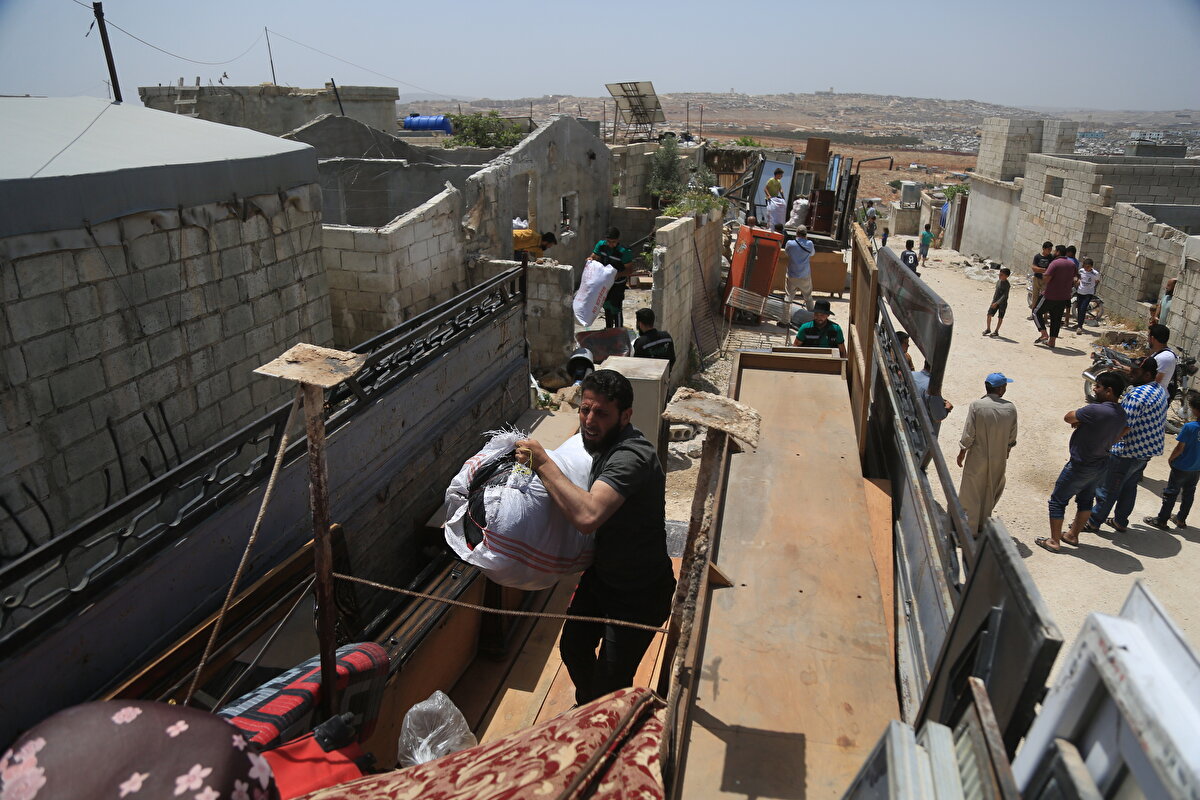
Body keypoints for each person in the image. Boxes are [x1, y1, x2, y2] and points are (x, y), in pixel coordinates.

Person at [514, 370, 675, 705]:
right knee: (573, 647)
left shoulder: (631, 456)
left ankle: (606, 720)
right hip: (603, 578)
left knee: (613, 682)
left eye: (601, 413)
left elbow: (587, 517)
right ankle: (590, 709)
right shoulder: (597, 443)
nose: (589, 420)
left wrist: (542, 463)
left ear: (626, 415)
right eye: (585, 410)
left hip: (639, 593)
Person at [1035, 371, 1128, 553]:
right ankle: (1072, 535)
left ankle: (1054, 541)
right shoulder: (1121, 413)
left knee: (1057, 501)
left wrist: (1081, 421)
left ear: (1109, 391)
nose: (1094, 389)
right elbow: (1119, 433)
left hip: (1081, 464)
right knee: (1086, 500)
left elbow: (1069, 417)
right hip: (1101, 463)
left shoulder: (1096, 410)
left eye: (1098, 386)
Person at [1084, 357, 1168, 534]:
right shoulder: (1159, 390)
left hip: (1127, 452)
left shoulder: (1137, 395)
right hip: (1146, 451)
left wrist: (1106, 444)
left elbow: (1124, 425)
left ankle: (1093, 522)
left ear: (1147, 374)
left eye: (1135, 371)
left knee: (1108, 487)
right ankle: (1120, 521)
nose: (1130, 373)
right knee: (1129, 486)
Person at [956, 373, 1019, 535]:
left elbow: (969, 433)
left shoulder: (977, 405)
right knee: (990, 492)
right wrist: (1006, 453)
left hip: (977, 457)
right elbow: (1012, 438)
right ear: (1000, 389)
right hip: (998, 458)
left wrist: (962, 452)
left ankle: (968, 531)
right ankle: (982, 527)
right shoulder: (1010, 408)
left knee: (971, 493)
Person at [1145, 393, 1200, 530]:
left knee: (1171, 493)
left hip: (1181, 467)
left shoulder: (1190, 427)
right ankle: (1181, 519)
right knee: (1189, 494)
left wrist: (1171, 459)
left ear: (1195, 410)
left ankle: (1162, 520)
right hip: (1196, 468)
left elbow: (1179, 448)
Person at [1034, 245, 1074, 348]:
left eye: (1055, 251)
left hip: (1050, 295)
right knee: (1056, 319)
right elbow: (1076, 278)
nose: (1053, 252)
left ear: (1058, 252)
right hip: (1064, 296)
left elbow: (1046, 278)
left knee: (1036, 312)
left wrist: (1045, 279)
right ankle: (1052, 341)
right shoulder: (1072, 264)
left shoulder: (1055, 263)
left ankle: (1043, 333)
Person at [593, 227, 634, 329]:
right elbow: (595, 256)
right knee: (606, 305)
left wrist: (618, 275)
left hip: (617, 284)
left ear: (618, 240)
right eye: (609, 242)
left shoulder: (624, 252)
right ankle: (609, 328)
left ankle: (619, 330)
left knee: (616, 307)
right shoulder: (601, 245)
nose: (611, 244)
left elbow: (629, 270)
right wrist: (591, 259)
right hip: (605, 283)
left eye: (614, 242)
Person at [783, 225, 816, 317]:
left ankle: (784, 318)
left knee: (788, 297)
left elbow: (786, 252)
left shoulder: (790, 243)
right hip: (804, 275)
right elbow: (812, 254)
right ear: (806, 234)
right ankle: (812, 318)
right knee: (808, 297)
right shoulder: (809, 243)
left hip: (792, 274)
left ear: (796, 233)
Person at [1072, 258, 1100, 331]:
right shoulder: (1081, 271)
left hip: (1088, 293)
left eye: (1088, 267)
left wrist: (1092, 287)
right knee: (1079, 308)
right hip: (1080, 291)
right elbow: (1078, 277)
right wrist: (1077, 281)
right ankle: (1079, 323)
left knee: (1083, 309)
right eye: (1085, 266)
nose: (1086, 268)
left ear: (1091, 266)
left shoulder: (1095, 273)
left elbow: (1097, 281)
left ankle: (1080, 327)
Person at [1148, 323, 1177, 391]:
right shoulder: (1160, 353)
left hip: (1154, 397)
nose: (1147, 339)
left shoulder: (1164, 357)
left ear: (1152, 338)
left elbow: (1155, 382)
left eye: (1148, 336)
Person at [983, 268, 1011, 337]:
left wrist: (997, 303)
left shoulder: (1007, 285)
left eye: (1002, 275)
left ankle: (996, 331)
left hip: (1002, 304)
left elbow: (1005, 295)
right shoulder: (998, 281)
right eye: (999, 274)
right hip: (995, 301)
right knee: (989, 314)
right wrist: (993, 301)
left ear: (1006, 276)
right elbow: (996, 292)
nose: (999, 276)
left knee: (1000, 317)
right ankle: (988, 329)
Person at [1029, 241, 1053, 316]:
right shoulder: (1037, 257)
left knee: (1044, 298)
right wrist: (1045, 270)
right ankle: (1033, 314)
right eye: (1048, 249)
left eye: (1050, 249)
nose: (1050, 251)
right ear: (1043, 249)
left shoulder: (1051, 257)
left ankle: (1044, 315)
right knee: (1035, 297)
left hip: (1045, 280)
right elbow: (1034, 268)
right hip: (1037, 278)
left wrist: (1040, 269)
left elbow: (1051, 268)